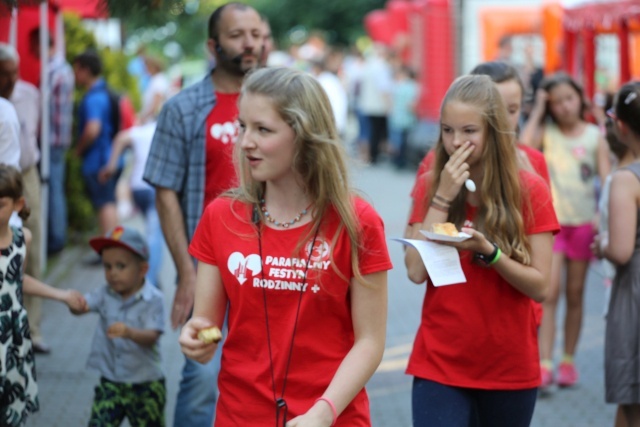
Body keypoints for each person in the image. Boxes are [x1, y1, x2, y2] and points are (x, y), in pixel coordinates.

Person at [179, 66, 391, 426]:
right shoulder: (220, 216)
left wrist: (322, 413)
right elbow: (207, 325)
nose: (246, 141)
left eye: (263, 129)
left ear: (305, 136)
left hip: (331, 417)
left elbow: (370, 342)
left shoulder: (357, 222)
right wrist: (196, 336)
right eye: (243, 126)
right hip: (240, 415)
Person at [404, 75, 559, 427]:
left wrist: (492, 254)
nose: (456, 142)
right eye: (447, 130)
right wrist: (442, 196)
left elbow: (541, 286)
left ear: (493, 131)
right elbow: (414, 271)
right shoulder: (434, 182)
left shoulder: (530, 189)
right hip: (440, 361)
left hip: (508, 365)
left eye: (469, 131)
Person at [143, 3, 263, 425]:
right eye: (236, 34)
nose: (249, 42)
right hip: (211, 267)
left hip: (273, 265)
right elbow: (164, 191)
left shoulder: (282, 105)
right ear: (213, 45)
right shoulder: (183, 108)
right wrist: (187, 272)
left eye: (255, 32)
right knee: (201, 377)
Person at [521, 72, 611, 389]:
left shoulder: (593, 135)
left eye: (569, 99)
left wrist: (603, 216)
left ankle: (568, 359)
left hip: (585, 223)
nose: (564, 107)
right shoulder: (546, 132)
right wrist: (537, 109)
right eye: (556, 102)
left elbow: (607, 178)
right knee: (550, 293)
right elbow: (524, 146)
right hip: (552, 226)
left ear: (580, 98)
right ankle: (544, 361)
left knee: (575, 294)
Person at [0, 163, 86, 426]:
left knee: (10, 412)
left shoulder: (22, 239)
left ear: (18, 204)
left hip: (12, 336)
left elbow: (16, 281)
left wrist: (61, 295)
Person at [72, 225, 165, 426]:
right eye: (107, 266)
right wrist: (74, 304)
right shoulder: (104, 294)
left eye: (120, 266)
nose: (112, 273)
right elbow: (83, 306)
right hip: (111, 382)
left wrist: (129, 332)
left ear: (142, 270)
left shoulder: (154, 299)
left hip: (145, 384)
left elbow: (153, 336)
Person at [0, 43, 50, 354]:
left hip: (26, 172)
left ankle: (34, 327)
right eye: (5, 74)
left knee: (31, 248)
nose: (13, 79)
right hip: (8, 182)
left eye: (15, 72)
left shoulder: (28, 95)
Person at [597, 81, 640, 427]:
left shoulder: (626, 180)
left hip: (634, 295)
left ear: (621, 126)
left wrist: (601, 246)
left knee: (632, 400)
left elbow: (622, 251)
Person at [100, 120, 165, 288]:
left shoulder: (140, 131)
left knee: (151, 231)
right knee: (155, 236)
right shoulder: (164, 129)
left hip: (137, 187)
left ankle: (150, 278)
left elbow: (120, 138)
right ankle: (147, 281)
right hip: (154, 187)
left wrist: (111, 165)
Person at [28, 29, 75, 255]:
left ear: (40, 43)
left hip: (50, 139)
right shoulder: (63, 68)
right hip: (60, 138)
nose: (31, 50)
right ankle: (58, 237)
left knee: (52, 188)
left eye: (33, 45)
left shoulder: (52, 70)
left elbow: (39, 106)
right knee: (56, 187)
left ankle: (55, 240)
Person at [72, 50, 121, 239]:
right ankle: (113, 244)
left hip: (98, 160)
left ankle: (110, 246)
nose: (75, 74)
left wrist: (79, 149)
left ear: (86, 70)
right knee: (108, 201)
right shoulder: (105, 91)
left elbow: (93, 129)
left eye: (77, 69)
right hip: (108, 156)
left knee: (105, 203)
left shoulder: (93, 97)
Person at [387, 65, 418, 169]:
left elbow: (391, 101)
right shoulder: (412, 86)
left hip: (396, 117)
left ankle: (396, 159)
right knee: (404, 141)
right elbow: (411, 105)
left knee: (396, 140)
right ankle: (402, 161)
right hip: (407, 118)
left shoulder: (397, 85)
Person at [139, 55, 169, 125]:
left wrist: (143, 117)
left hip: (152, 122)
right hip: (150, 120)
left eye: (146, 66)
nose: (145, 69)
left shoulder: (158, 81)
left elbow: (155, 105)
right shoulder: (155, 79)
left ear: (153, 67)